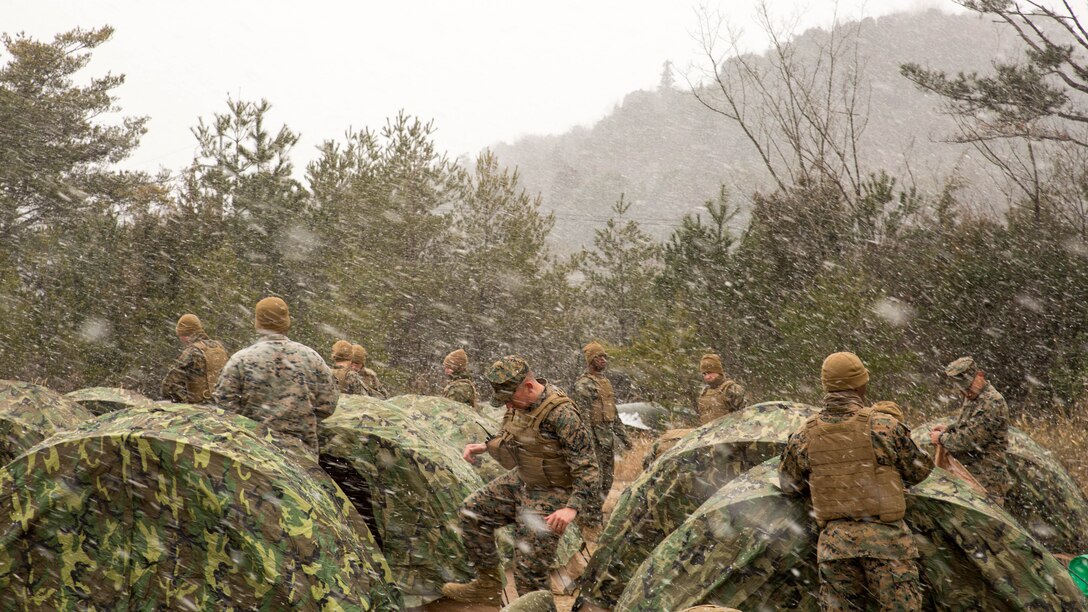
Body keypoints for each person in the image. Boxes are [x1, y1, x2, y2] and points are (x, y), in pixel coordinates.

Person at [780, 352, 933, 611]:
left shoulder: (804, 434)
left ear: (826, 386)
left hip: (835, 547)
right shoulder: (884, 425)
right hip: (888, 544)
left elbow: (789, 485)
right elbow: (918, 471)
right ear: (860, 385)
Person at [441, 356, 600, 604]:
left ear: (528, 386)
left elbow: (588, 467)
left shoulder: (562, 413)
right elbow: (515, 436)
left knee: (529, 572)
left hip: (553, 490)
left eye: (509, 399)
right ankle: (488, 584)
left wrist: (571, 508)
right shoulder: (518, 406)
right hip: (523, 478)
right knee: (472, 512)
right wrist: (484, 446)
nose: (507, 407)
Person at [214, 297, 339, 456]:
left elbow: (224, 406)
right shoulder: (312, 358)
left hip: (252, 453)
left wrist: (253, 426)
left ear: (257, 323)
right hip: (301, 454)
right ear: (287, 322)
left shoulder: (240, 360)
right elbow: (328, 405)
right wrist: (300, 420)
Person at [929, 356, 1010, 506]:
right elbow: (969, 424)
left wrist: (941, 438)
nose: (966, 392)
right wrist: (949, 428)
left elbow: (970, 440)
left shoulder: (991, 403)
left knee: (985, 528)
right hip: (971, 479)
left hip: (986, 483)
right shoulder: (975, 397)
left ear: (980, 376)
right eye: (962, 389)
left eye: (968, 386)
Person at [571, 341, 631, 535]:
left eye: (605, 357)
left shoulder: (605, 383)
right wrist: (587, 445)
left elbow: (613, 414)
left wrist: (625, 438)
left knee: (607, 482)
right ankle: (588, 521)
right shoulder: (583, 385)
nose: (603, 360)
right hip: (594, 442)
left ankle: (594, 518)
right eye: (599, 357)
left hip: (607, 441)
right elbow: (583, 417)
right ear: (590, 361)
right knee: (593, 482)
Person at [160, 313, 228, 404]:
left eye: (180, 335)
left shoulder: (192, 352)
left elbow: (168, 386)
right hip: (221, 408)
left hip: (199, 409)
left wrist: (183, 401)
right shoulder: (220, 347)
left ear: (185, 335)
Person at [697, 353, 747, 424]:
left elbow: (745, 416)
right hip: (709, 434)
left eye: (710, 372)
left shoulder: (731, 389)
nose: (707, 377)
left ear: (719, 372)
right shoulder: (704, 392)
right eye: (704, 374)